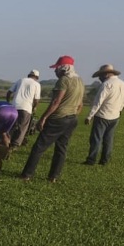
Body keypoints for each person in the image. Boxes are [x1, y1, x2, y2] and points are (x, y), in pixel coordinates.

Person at [19, 55, 85, 183]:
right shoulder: (80, 81)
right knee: (61, 149)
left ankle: (26, 174)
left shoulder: (63, 81)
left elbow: (56, 102)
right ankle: (53, 177)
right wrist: (74, 115)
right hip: (72, 119)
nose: (55, 71)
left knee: (39, 147)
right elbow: (80, 104)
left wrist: (43, 118)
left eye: (57, 68)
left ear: (64, 68)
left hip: (58, 119)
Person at [83, 64, 124, 165]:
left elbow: (98, 102)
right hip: (115, 116)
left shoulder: (106, 84)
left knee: (96, 139)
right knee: (108, 139)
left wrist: (89, 116)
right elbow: (123, 101)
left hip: (102, 115)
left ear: (106, 74)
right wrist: (119, 111)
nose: (99, 78)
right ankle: (104, 160)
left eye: (101, 75)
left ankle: (91, 160)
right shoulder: (123, 84)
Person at [6, 69, 42, 148]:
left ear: (29, 75)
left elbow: (9, 92)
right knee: (22, 127)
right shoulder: (37, 84)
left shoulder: (20, 80)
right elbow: (36, 99)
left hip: (14, 106)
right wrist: (34, 107)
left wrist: (8, 102)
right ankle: (15, 144)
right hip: (26, 108)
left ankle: (4, 140)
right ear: (37, 77)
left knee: (10, 125)